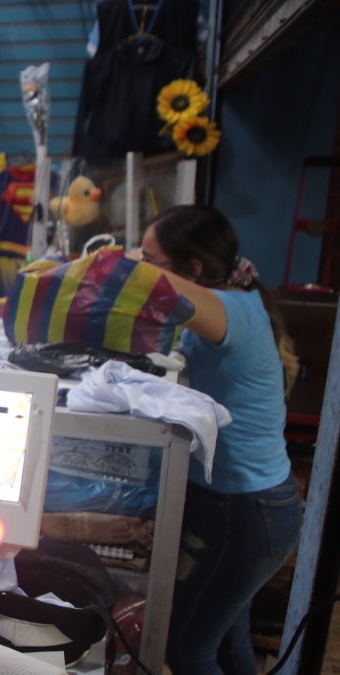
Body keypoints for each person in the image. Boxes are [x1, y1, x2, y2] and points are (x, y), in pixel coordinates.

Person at [138, 205, 302, 675]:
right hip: (250, 507)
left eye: (150, 258)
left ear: (192, 270)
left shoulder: (230, 310)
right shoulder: (225, 306)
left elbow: (146, 285)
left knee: (186, 648)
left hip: (247, 513)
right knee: (227, 639)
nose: (142, 266)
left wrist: (110, 266)